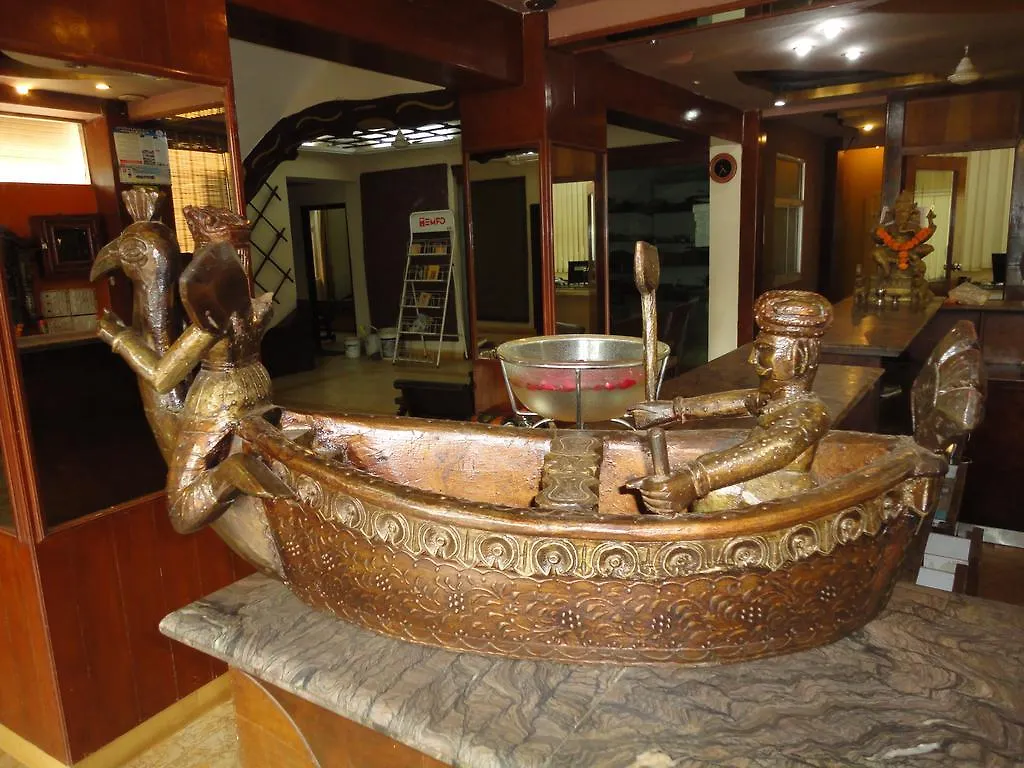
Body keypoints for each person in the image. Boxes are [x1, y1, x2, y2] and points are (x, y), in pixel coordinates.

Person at [628, 290, 834, 515]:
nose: (752, 359)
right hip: (765, 481)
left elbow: (773, 449)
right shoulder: (775, 399)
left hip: (785, 493)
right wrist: (673, 410)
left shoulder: (809, 413)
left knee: (716, 495)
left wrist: (694, 480)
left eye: (765, 350)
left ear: (799, 358)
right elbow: (741, 400)